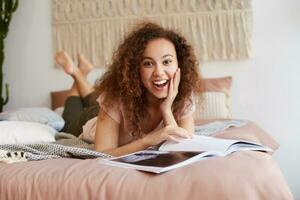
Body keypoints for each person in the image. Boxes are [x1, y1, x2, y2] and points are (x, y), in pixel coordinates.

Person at [55, 22, 203, 157]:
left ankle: (80, 73)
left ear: (179, 64)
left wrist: (166, 109)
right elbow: (102, 154)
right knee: (68, 123)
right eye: (148, 63)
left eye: (167, 61)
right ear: (136, 69)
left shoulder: (183, 93)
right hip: (89, 121)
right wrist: (148, 141)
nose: (159, 72)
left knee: (94, 99)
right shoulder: (115, 96)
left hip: (109, 113)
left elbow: (183, 149)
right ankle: (75, 73)